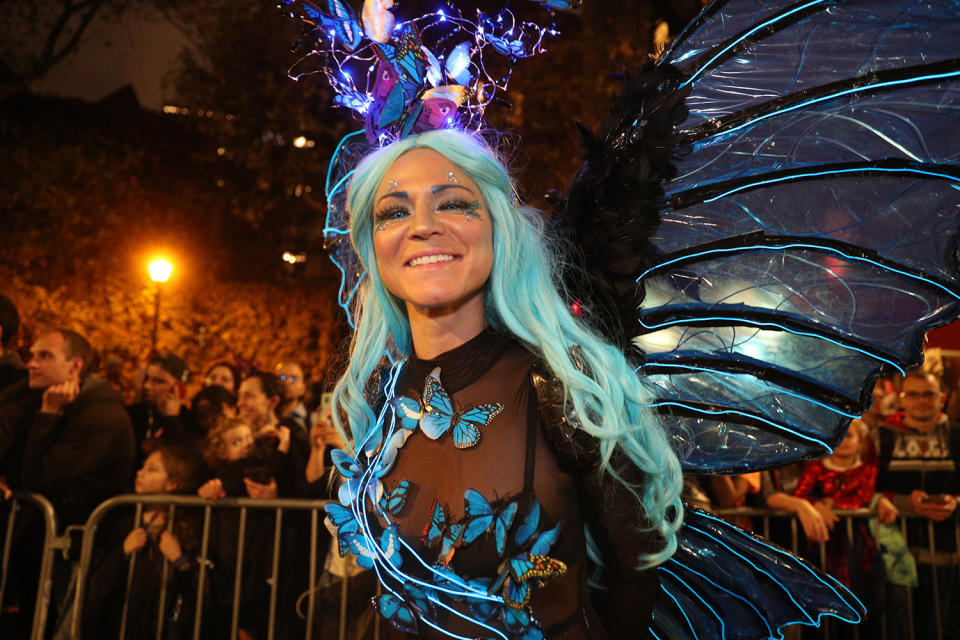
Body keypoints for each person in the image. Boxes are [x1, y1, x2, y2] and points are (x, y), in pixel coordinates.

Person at [324, 130, 682, 639]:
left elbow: (634, 576)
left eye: (453, 203)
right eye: (394, 212)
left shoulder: (564, 383)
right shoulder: (380, 396)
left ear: (498, 229)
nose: (423, 226)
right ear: (372, 246)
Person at [82, 445, 200, 639]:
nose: (140, 472)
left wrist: (179, 560)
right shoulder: (122, 523)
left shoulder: (185, 530)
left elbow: (194, 593)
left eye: (151, 469)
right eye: (142, 466)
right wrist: (122, 552)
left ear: (172, 484)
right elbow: (96, 586)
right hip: (119, 626)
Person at [793, 420, 898, 638]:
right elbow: (800, 495)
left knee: (862, 599)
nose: (844, 441)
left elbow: (862, 498)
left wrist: (830, 503)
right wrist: (817, 505)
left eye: (850, 436)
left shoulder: (867, 469)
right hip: (823, 541)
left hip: (858, 545)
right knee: (821, 602)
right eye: (839, 434)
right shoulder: (816, 466)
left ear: (860, 442)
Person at [876, 371, 960, 639]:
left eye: (928, 394)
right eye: (913, 394)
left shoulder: (956, 435)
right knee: (896, 626)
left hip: (946, 548)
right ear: (902, 399)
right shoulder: (882, 436)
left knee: (937, 625)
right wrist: (903, 503)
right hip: (894, 548)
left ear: (941, 398)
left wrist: (955, 503)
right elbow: (866, 484)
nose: (921, 401)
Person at [127, 353, 193, 468]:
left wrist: (172, 419)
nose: (147, 386)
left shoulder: (187, 422)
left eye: (159, 381)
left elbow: (181, 464)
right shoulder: (132, 415)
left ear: (179, 388)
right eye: (146, 379)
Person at [275, 361, 309, 433]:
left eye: (294, 378)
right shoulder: (265, 416)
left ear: (303, 388)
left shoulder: (313, 419)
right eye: (282, 377)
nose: (287, 382)